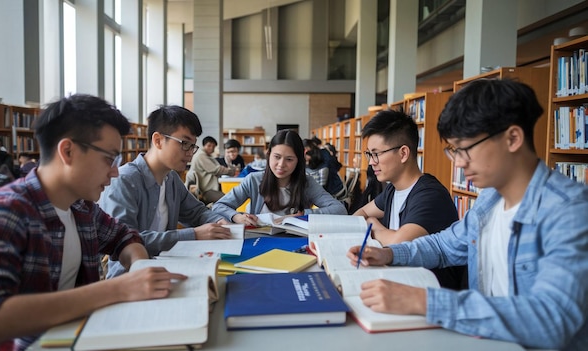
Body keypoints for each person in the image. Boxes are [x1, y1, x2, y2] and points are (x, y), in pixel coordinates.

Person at [347, 79, 588, 350]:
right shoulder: (490, 199)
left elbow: (553, 320)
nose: (459, 163)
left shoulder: (569, 212)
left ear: (513, 138)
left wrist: (423, 301)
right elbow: (444, 245)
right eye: (454, 151)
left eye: (466, 149)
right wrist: (390, 254)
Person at [0, 94, 184, 350]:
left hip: (83, 336)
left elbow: (124, 237)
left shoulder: (81, 207)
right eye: (109, 158)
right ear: (67, 151)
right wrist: (116, 290)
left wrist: (140, 265)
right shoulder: (3, 213)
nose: (114, 171)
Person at [98, 105, 232, 278]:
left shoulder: (171, 179)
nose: (190, 153)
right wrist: (193, 234)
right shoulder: (124, 180)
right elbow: (125, 240)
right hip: (129, 278)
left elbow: (197, 212)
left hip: (169, 267)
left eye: (193, 146)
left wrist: (220, 221)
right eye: (184, 144)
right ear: (158, 140)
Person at [351, 110, 464, 289]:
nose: (371, 162)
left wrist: (372, 224)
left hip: (427, 294)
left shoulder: (430, 195)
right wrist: (366, 222)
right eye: (369, 154)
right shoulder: (392, 189)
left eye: (376, 154)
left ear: (403, 153)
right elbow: (362, 213)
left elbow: (400, 244)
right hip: (397, 282)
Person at [212, 130, 347, 225]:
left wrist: (303, 215)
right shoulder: (253, 180)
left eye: (289, 159)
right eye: (276, 157)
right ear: (269, 154)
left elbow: (340, 210)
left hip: (296, 241)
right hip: (259, 241)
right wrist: (237, 217)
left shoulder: (306, 182)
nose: (281, 165)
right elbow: (219, 206)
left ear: (298, 160)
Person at [189, 136, 235, 203]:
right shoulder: (201, 156)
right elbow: (216, 169)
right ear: (204, 145)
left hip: (210, 187)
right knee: (228, 200)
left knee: (231, 195)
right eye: (209, 145)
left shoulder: (207, 156)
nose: (211, 148)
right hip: (206, 190)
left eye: (213, 146)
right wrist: (231, 172)